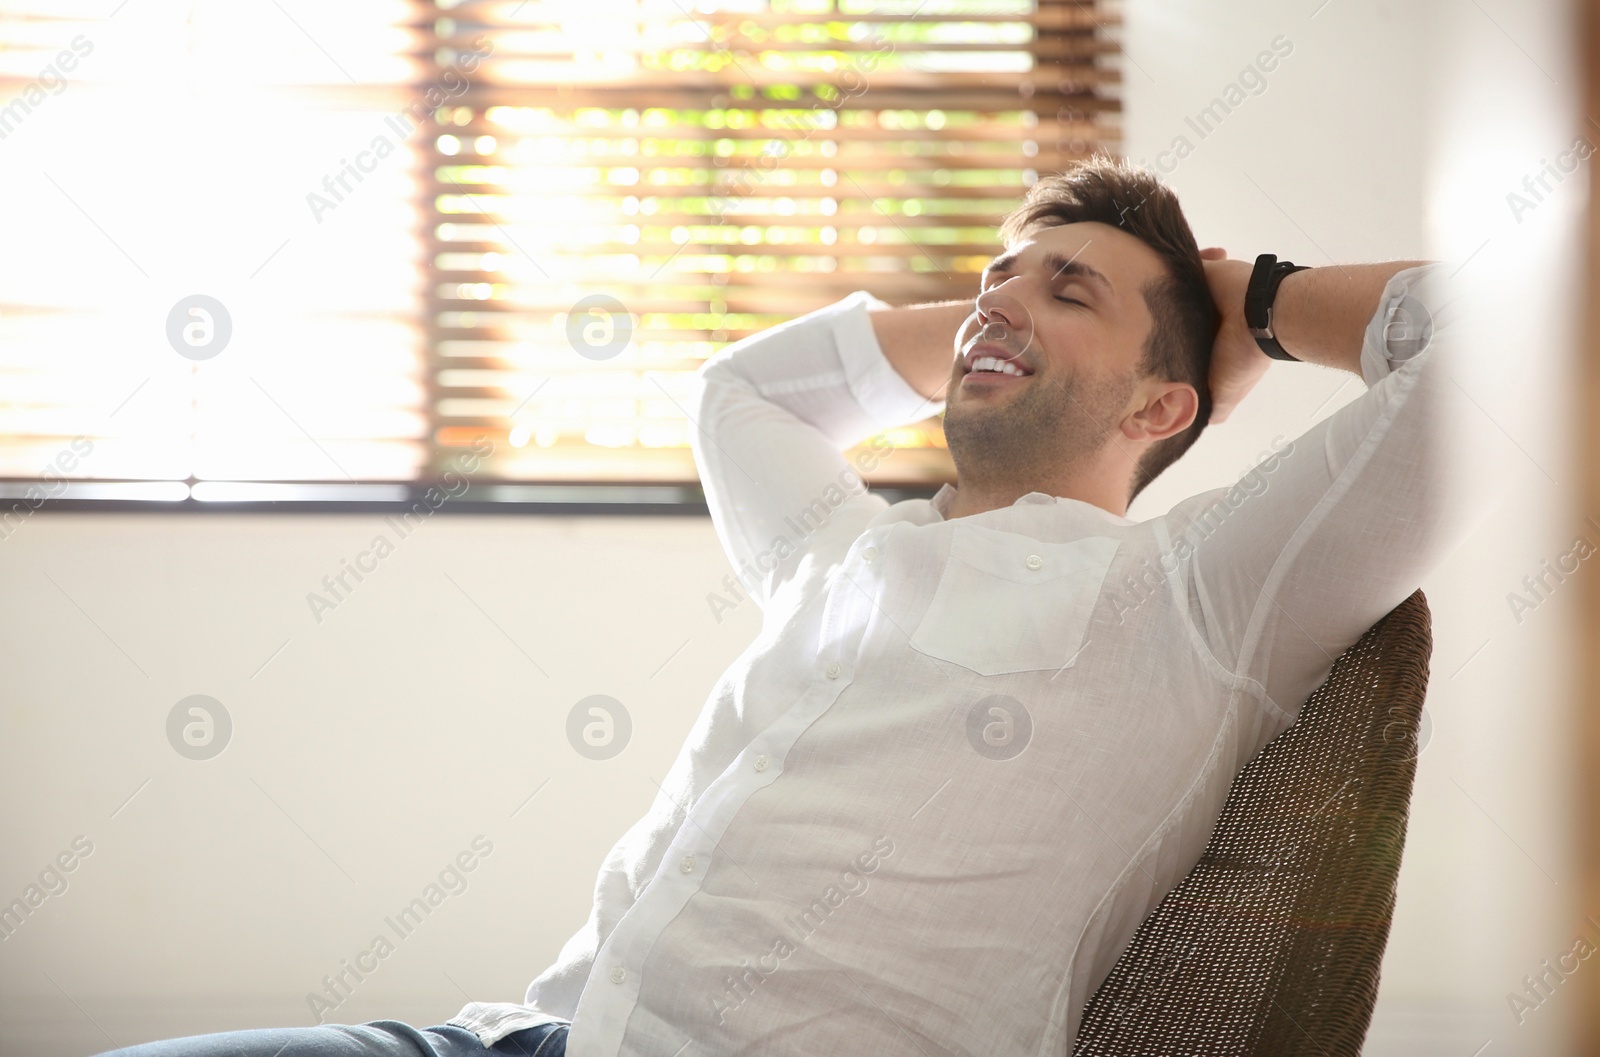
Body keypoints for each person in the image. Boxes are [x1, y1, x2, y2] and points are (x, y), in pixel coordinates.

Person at [99, 153, 1495, 1057]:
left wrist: (1239, 301)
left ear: (1163, 403)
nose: (994, 304)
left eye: (1065, 291)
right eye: (992, 280)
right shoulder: (839, 548)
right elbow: (742, 391)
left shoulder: (1197, 595)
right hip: (530, 1039)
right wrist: (1019, 305)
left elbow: (1504, 347)